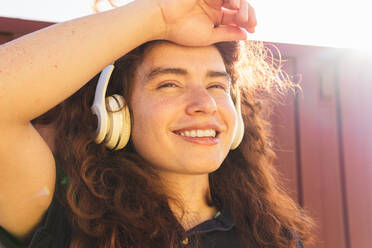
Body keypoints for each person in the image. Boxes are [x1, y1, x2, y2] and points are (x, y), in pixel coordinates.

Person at [0, 0, 314, 247]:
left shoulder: (274, 239)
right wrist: (159, 15)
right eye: (169, 84)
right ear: (116, 110)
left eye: (216, 86)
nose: (204, 104)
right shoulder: (67, 217)